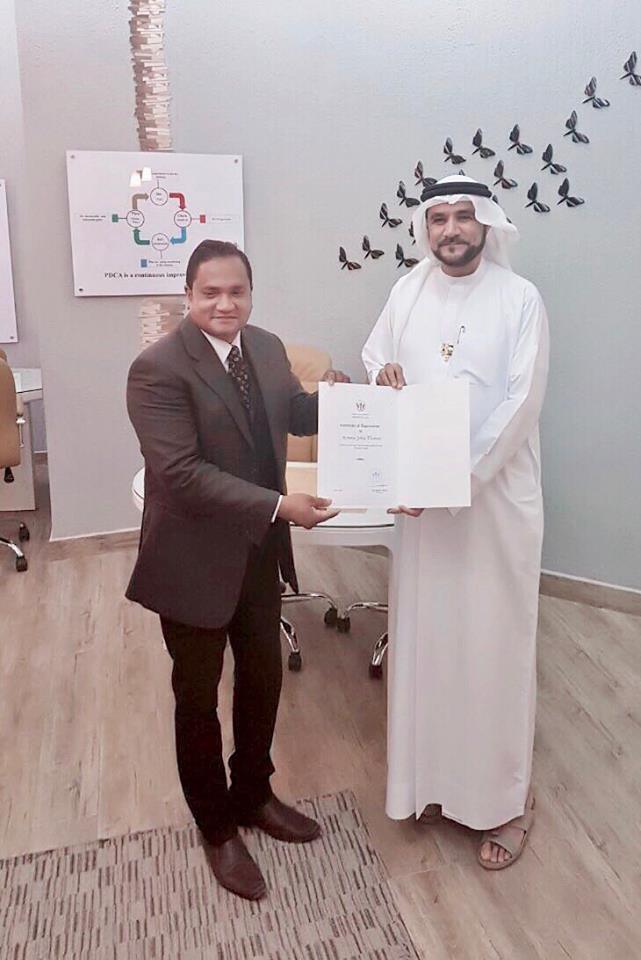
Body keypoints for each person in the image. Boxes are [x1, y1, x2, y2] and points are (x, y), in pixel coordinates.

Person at [126, 239, 349, 899]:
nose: (225, 304)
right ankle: (217, 826)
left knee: (262, 679)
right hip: (192, 560)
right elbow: (181, 475)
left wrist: (343, 397)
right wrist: (281, 505)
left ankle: (254, 793)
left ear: (250, 294)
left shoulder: (268, 348)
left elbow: (292, 414)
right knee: (198, 699)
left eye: (236, 291)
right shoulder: (157, 369)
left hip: (257, 552)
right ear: (188, 295)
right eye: (210, 292)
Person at [362, 175, 549, 869]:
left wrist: (458, 481)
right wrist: (382, 374)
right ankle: (431, 786)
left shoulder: (519, 298)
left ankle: (504, 804)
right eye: (438, 218)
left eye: (463, 217)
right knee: (428, 643)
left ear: (487, 224)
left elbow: (521, 402)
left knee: (491, 646)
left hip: (491, 504)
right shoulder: (407, 290)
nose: (450, 230)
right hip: (422, 508)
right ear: (425, 228)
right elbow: (376, 356)